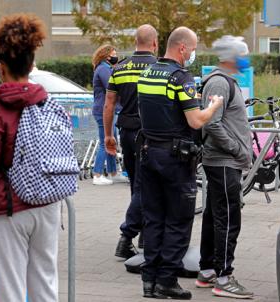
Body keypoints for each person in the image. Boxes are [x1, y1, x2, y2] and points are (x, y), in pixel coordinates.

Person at [138, 26, 224, 299]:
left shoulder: (147, 73)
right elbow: (195, 120)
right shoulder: (180, 78)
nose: (193, 53)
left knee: (153, 219)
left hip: (148, 153)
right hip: (175, 159)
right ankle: (166, 281)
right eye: (194, 47)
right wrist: (213, 106)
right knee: (178, 219)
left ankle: (149, 281)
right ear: (182, 48)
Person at [0, 14, 60, 301]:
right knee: (45, 284)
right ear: (32, 65)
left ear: (1, 68)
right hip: (49, 205)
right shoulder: (50, 105)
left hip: (6, 209)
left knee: (9, 290)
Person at [196, 36, 253, 299]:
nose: (247, 59)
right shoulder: (219, 82)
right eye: (243, 54)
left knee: (214, 214)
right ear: (232, 56)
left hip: (223, 161)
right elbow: (212, 124)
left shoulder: (224, 81)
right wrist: (238, 149)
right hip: (223, 161)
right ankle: (224, 277)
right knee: (228, 217)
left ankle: (208, 271)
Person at [104, 24, 158, 259]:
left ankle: (145, 232)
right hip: (150, 133)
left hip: (126, 131)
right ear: (154, 43)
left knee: (136, 182)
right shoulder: (160, 67)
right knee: (148, 185)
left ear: (136, 42)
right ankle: (129, 237)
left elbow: (109, 105)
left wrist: (108, 135)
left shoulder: (120, 68)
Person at [91, 44, 127, 185]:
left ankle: (113, 173)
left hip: (107, 110)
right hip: (103, 111)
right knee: (105, 142)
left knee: (112, 141)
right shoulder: (103, 69)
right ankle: (97, 174)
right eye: (114, 52)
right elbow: (112, 87)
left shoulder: (105, 68)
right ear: (107, 56)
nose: (116, 55)